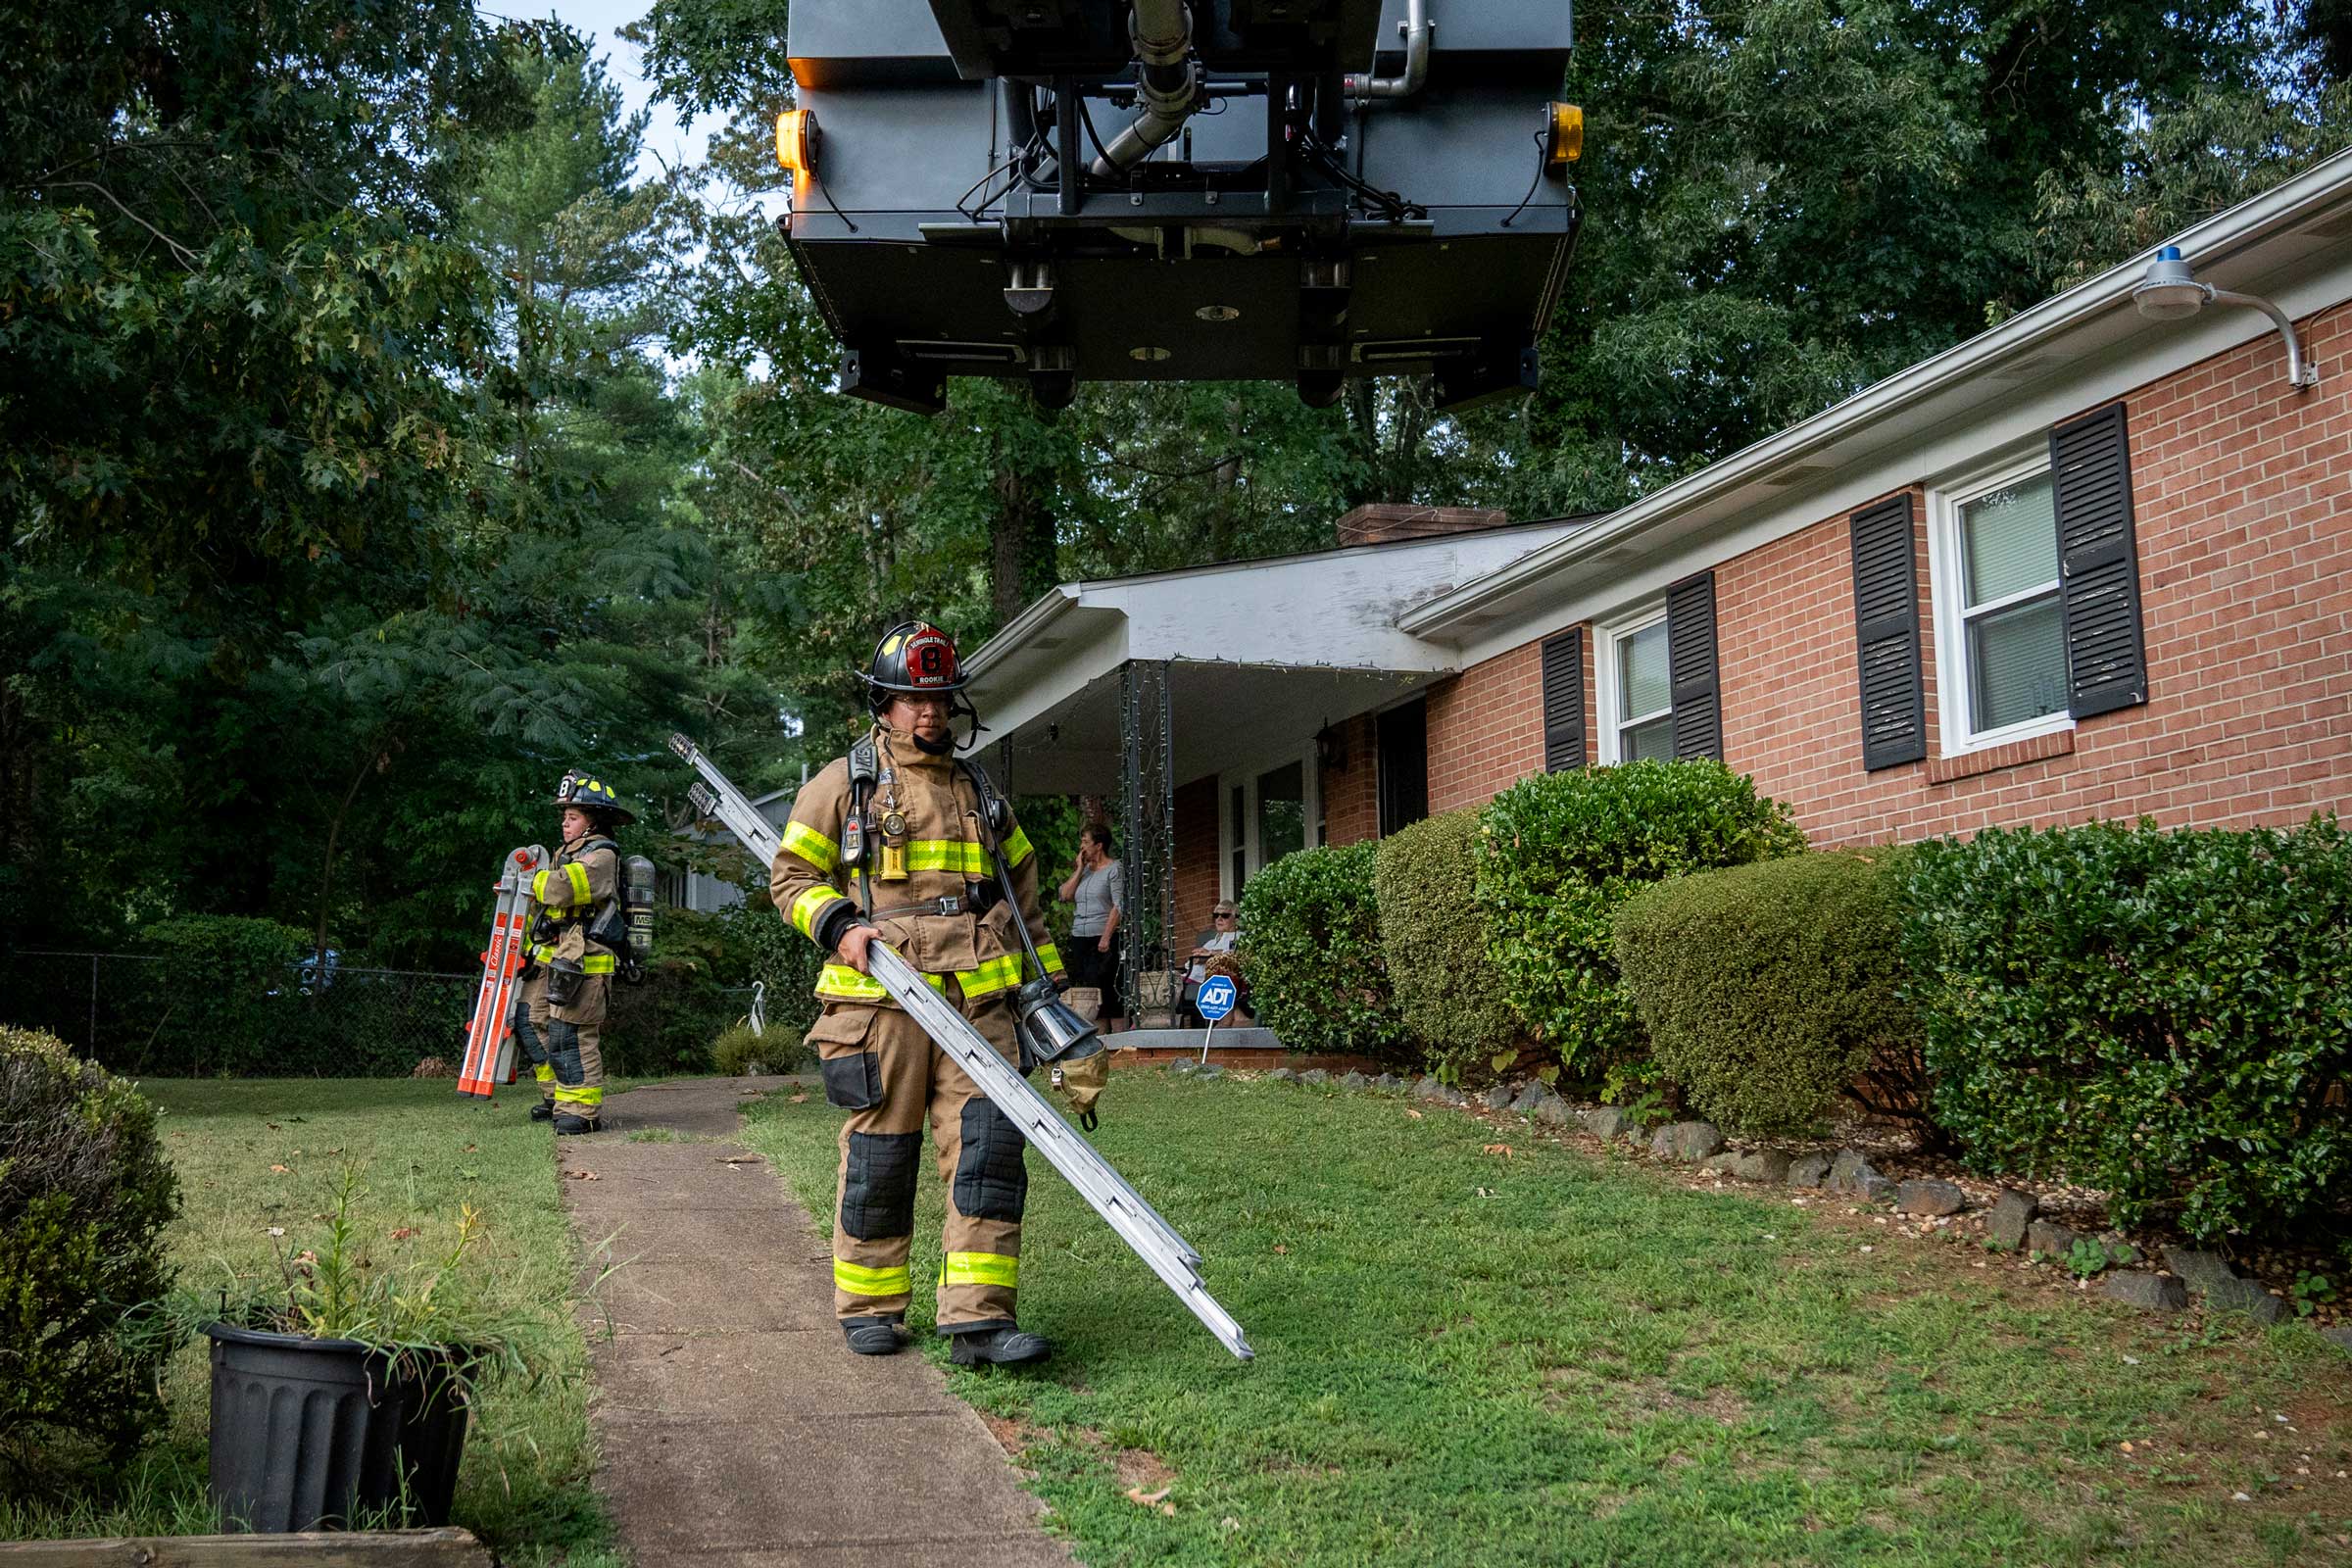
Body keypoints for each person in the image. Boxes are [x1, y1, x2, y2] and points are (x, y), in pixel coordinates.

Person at [770, 620, 1082, 1366]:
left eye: (939, 698)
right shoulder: (845, 783)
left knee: (991, 1153)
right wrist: (841, 925)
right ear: (884, 703)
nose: (929, 713)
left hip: (980, 1003)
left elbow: (1026, 899)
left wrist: (1054, 996)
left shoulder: (981, 792)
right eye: (913, 699)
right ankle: (871, 1308)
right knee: (881, 1155)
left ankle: (979, 1320)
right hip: (881, 1004)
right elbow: (790, 878)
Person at [513, 771, 632, 1134]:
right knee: (529, 1022)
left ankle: (581, 1112)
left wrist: (528, 881)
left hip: (585, 960)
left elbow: (562, 890)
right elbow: (543, 906)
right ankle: (557, 1098)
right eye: (563, 816)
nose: (564, 823)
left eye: (573, 816)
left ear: (593, 821)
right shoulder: (563, 852)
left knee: (571, 1033)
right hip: (554, 953)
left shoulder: (602, 856)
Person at [1057, 824, 1125, 1032]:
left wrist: (1105, 938)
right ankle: (1099, 1038)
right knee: (1090, 993)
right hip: (1081, 937)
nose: (1082, 847)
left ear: (1099, 845)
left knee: (1108, 993)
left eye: (1086, 842)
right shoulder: (1085, 872)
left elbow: (1118, 905)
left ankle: (1118, 1039)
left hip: (1102, 937)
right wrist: (1079, 869)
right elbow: (1065, 895)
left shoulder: (1114, 869)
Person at [1178, 900, 1242, 1026]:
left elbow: (1234, 955)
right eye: (1216, 915)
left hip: (1217, 977)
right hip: (1194, 976)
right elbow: (1189, 964)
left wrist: (1211, 953)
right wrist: (1197, 958)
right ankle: (1167, 1021)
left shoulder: (1239, 936)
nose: (1219, 919)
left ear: (1235, 919)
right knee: (1167, 980)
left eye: (1224, 916)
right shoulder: (1211, 941)